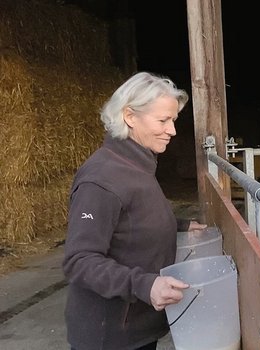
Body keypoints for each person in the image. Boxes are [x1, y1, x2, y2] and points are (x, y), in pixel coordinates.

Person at [63, 72, 207, 350]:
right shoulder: (102, 179)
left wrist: (179, 225)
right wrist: (144, 285)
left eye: (173, 120)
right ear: (129, 116)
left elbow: (129, 219)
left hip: (137, 325)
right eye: (163, 120)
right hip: (111, 335)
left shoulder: (137, 164)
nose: (172, 131)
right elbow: (79, 260)